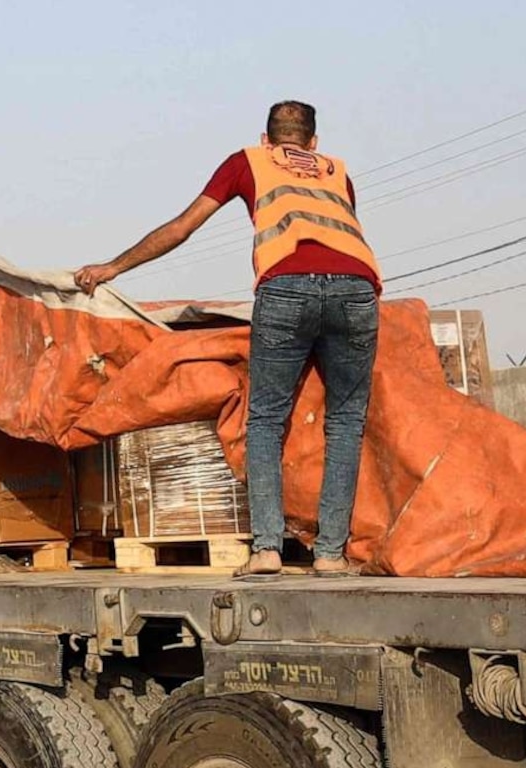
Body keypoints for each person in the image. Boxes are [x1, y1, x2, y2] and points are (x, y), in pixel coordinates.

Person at [73, 100, 379, 579]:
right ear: (313, 143)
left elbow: (182, 227)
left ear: (266, 139)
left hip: (286, 288)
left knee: (264, 421)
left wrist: (113, 267)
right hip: (357, 288)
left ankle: (266, 550)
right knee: (344, 423)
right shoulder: (337, 171)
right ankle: (331, 554)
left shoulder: (248, 161)